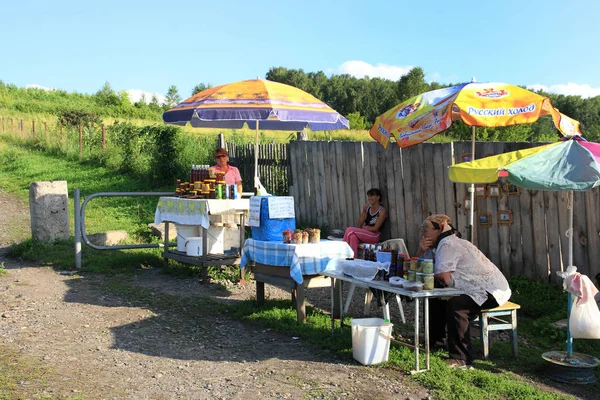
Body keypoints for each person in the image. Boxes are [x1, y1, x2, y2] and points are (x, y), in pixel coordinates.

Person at [416, 214, 511, 368]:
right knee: (435, 299)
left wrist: (427, 278)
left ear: (439, 229)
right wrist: (421, 251)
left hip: (490, 290)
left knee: (457, 305)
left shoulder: (448, 245)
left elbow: (442, 279)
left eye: (425, 231)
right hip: (473, 286)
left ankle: (461, 358)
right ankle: (436, 343)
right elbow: (423, 266)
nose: (423, 235)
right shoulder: (440, 244)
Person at [343, 188, 387, 258]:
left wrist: (364, 230)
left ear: (378, 197)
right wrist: (364, 211)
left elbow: (376, 228)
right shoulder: (368, 209)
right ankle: (353, 260)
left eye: (372, 196)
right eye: (369, 196)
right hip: (365, 233)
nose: (369, 198)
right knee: (352, 237)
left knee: (349, 229)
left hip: (374, 235)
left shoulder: (382, 211)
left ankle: (342, 253)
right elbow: (359, 224)